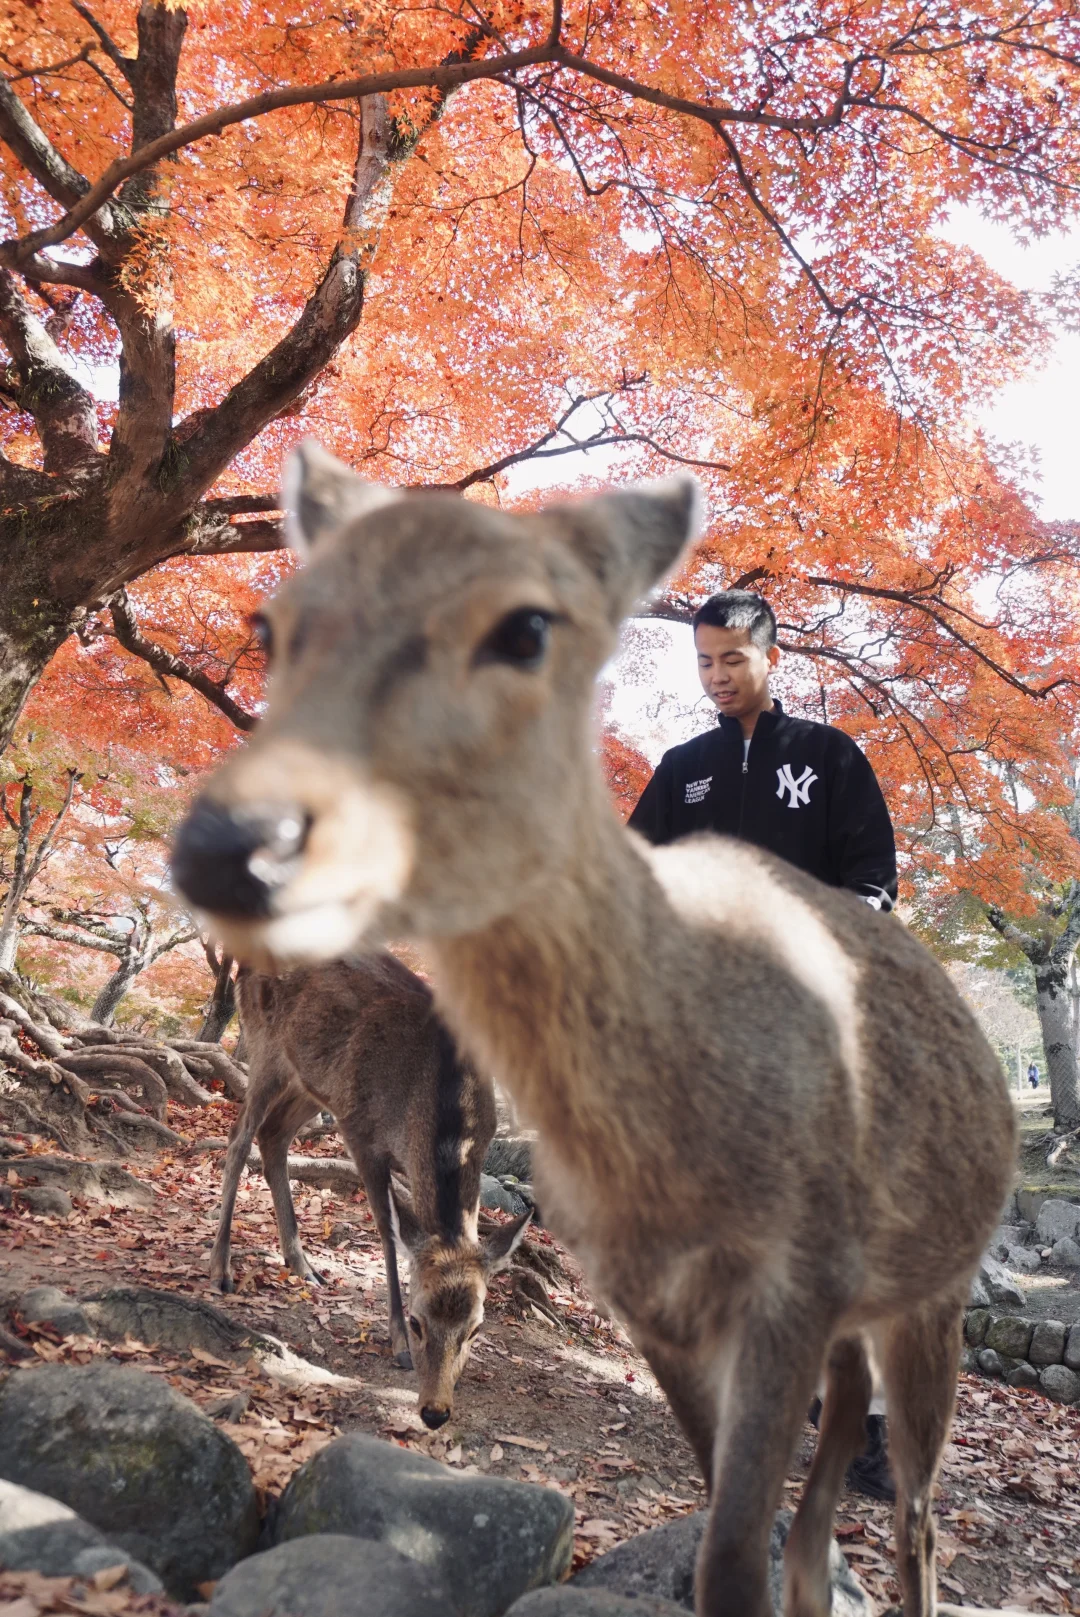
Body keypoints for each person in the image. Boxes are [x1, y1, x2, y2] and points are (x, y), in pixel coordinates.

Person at [628, 589, 898, 1501]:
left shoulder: (829, 758)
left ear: (770, 657)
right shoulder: (683, 769)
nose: (716, 677)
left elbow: (874, 884)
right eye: (703, 663)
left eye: (731, 661)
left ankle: (863, 1426)